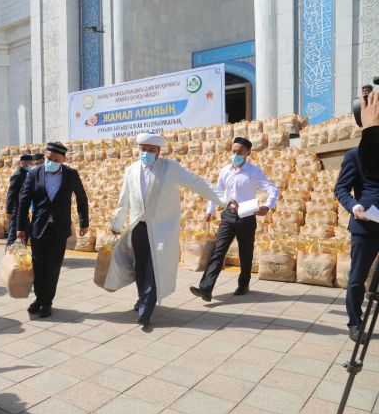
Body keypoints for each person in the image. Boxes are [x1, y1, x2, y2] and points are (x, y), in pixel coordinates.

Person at [107, 133, 231, 326]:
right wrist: (116, 224)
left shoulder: (170, 168)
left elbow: (197, 182)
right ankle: (142, 298)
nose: (146, 153)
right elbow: (124, 200)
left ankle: (145, 310)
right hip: (138, 228)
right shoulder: (131, 170)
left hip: (162, 229)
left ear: (158, 150)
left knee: (154, 267)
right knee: (140, 267)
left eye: (151, 150)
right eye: (143, 149)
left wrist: (225, 200)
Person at [189, 137, 279, 301]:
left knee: (245, 253)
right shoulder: (225, 171)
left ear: (248, 153)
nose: (235, 154)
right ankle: (206, 288)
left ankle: (243, 284)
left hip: (246, 216)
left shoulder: (254, 172)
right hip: (228, 216)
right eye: (233, 151)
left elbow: (272, 189)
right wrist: (210, 210)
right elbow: (217, 192)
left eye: (239, 151)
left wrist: (267, 206)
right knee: (218, 251)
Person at [16, 142, 89, 318]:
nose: (51, 162)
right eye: (49, 158)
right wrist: (20, 227)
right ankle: (39, 299)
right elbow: (24, 201)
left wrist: (84, 222)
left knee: (53, 268)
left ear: (63, 160)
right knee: (38, 266)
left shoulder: (71, 175)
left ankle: (47, 302)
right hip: (39, 228)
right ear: (44, 156)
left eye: (56, 160)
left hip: (60, 228)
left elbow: (81, 198)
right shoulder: (34, 174)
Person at [335, 90, 379, 343]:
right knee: (357, 279)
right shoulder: (354, 155)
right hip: (366, 226)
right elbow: (341, 188)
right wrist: (354, 206)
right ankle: (354, 321)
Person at [5, 154, 33, 248]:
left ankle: (20, 254)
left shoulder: (26, 173)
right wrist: (9, 210)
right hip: (16, 209)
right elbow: (11, 193)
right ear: (23, 162)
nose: (31, 164)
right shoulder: (18, 175)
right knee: (14, 234)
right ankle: (8, 255)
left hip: (23, 208)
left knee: (26, 232)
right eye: (30, 162)